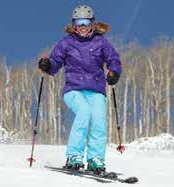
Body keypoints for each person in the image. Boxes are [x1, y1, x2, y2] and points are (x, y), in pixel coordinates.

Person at [38, 5, 122, 173]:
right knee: (84, 113)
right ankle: (74, 155)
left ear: (92, 23)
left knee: (98, 120)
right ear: (74, 24)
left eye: (86, 22)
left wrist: (114, 72)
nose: (82, 26)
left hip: (96, 90)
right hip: (73, 90)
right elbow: (54, 65)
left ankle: (95, 159)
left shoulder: (101, 42)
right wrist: (47, 65)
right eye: (79, 22)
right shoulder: (66, 43)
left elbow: (114, 59)